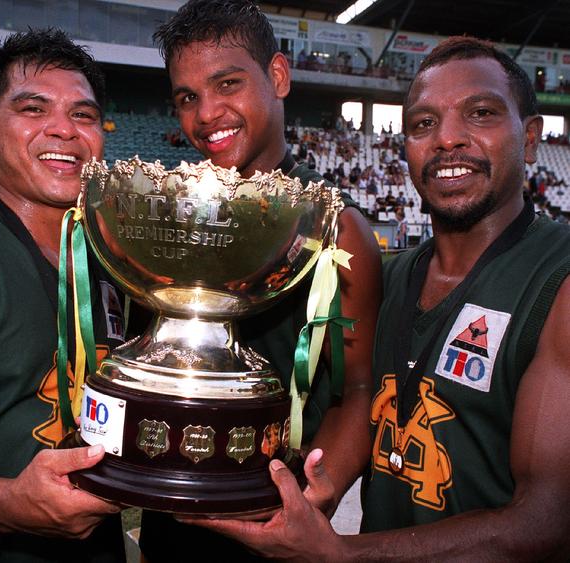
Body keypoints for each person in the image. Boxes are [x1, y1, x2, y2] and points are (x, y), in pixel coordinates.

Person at [194, 36, 570, 560]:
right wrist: (310, 487)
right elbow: (360, 403)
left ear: (530, 139)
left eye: (480, 113)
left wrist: (344, 554)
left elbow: (546, 522)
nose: (447, 139)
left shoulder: (558, 281)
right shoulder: (389, 279)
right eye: (423, 124)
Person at [139, 1, 382, 561]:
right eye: (187, 97)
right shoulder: (165, 219)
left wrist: (309, 495)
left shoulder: (337, 232)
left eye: (227, 83)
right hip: (170, 516)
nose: (207, 114)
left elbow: (360, 390)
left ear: (277, 76)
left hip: (275, 525)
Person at [0, 29, 128, 561]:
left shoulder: (121, 264)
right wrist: (4, 503)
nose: (64, 129)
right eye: (33, 109)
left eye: (83, 115)